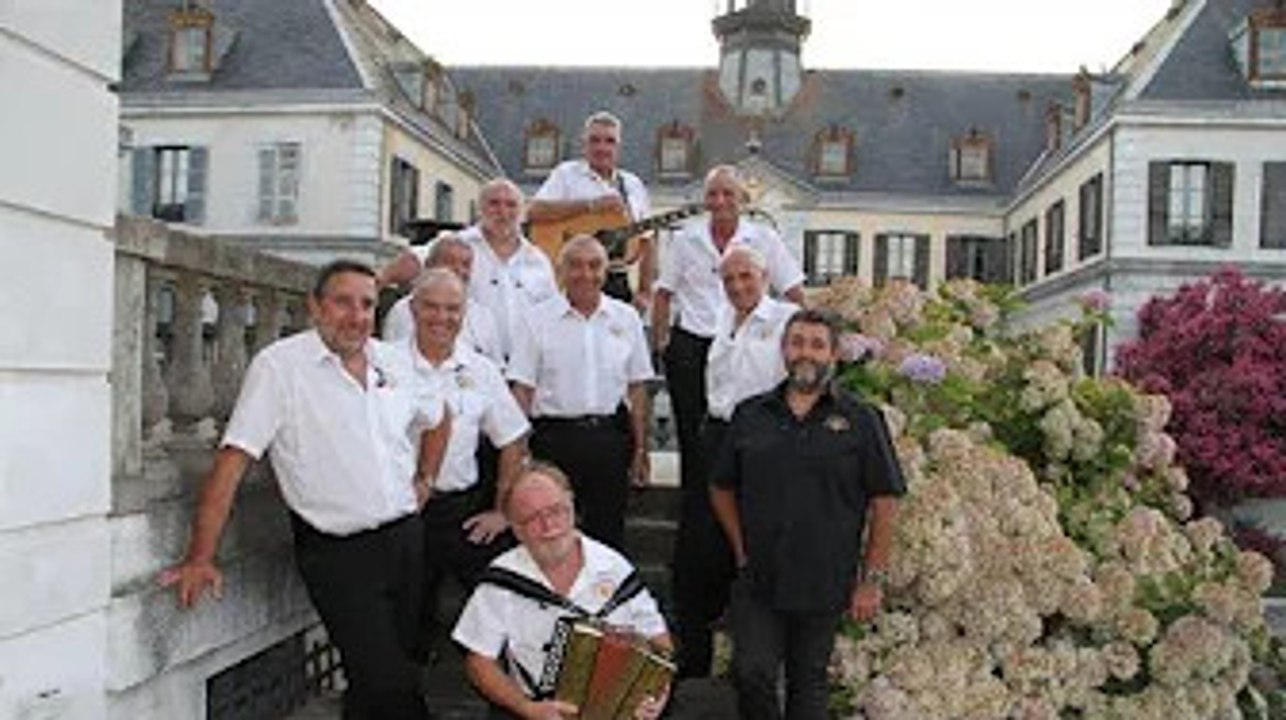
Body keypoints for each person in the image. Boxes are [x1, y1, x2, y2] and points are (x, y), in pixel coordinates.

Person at [159, 260, 450, 720]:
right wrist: (200, 556)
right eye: (342, 302)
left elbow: (438, 417)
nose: (356, 315)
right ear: (315, 306)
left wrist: (426, 479)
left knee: (386, 675)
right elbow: (233, 460)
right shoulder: (281, 368)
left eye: (367, 304)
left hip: (407, 540)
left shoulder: (394, 361)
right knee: (389, 682)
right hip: (339, 554)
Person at [709, 309, 905, 720]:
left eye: (817, 344)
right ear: (783, 350)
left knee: (809, 686)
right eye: (797, 342)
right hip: (760, 576)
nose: (806, 353)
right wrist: (741, 548)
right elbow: (721, 486)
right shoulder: (751, 415)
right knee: (752, 673)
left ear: (833, 354)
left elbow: (886, 501)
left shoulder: (861, 419)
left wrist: (871, 580)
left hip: (825, 579)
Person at [651, 164, 806, 649]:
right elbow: (663, 292)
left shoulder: (763, 243)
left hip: (752, 394)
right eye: (712, 193)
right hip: (698, 340)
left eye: (728, 193)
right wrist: (661, 341)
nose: (720, 200)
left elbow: (797, 292)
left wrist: (815, 333)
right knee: (700, 458)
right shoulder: (687, 239)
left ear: (743, 198)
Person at [452, 462, 671, 720]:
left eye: (556, 511)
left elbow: (659, 643)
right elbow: (479, 661)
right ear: (516, 529)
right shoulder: (502, 580)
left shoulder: (613, 567)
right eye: (533, 519)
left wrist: (657, 695)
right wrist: (525, 708)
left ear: (572, 505)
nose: (549, 527)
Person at [671, 245, 798, 678]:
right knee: (697, 550)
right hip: (718, 436)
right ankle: (695, 658)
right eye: (729, 280)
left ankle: (752, 660)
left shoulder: (784, 322)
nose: (738, 286)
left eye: (746, 277)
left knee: (748, 545)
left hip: (763, 441)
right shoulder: (723, 319)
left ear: (765, 277)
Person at [403, 268, 532, 663]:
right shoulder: (384, 364)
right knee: (404, 626)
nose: (442, 317)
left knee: (506, 615)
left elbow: (512, 439)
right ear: (412, 308)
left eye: (452, 309)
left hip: (462, 511)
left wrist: (502, 511)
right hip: (402, 514)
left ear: (465, 314)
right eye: (432, 307)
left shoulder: (481, 369)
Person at [508, 235, 654, 551]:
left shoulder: (625, 318)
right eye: (575, 265)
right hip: (553, 441)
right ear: (560, 271)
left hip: (609, 440)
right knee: (549, 533)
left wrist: (641, 450)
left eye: (594, 265)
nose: (585, 274)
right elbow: (522, 390)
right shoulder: (536, 320)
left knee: (608, 536)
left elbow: (638, 389)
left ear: (607, 270)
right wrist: (518, 454)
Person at [528, 111, 655, 306]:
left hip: (616, 281)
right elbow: (535, 212)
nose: (602, 148)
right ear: (584, 145)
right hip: (572, 280)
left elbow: (647, 241)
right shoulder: (566, 175)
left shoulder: (633, 185)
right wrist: (590, 206)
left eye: (609, 141)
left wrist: (645, 290)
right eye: (595, 140)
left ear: (618, 147)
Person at [461, 178, 560, 365]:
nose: (503, 212)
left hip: (525, 368)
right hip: (471, 364)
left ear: (522, 214)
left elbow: (551, 316)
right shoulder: (457, 247)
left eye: (511, 205)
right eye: (494, 203)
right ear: (479, 209)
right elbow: (415, 261)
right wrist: (386, 279)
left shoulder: (538, 261)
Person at [383, 232, 503, 365]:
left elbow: (495, 368)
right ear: (429, 265)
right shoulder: (403, 310)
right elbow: (394, 362)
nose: (459, 270)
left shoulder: (484, 316)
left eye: (465, 264)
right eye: (450, 262)